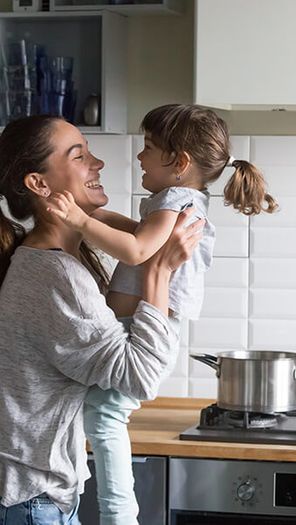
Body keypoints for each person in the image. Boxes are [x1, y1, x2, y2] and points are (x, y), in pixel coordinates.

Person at [47, 104, 278, 525]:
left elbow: (137, 251)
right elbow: (139, 235)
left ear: (179, 162)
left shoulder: (177, 199)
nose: (139, 156)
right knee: (98, 413)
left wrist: (80, 218)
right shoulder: (176, 200)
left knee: (104, 416)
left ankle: (119, 514)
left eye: (149, 148)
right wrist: (90, 214)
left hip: (143, 329)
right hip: (133, 328)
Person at [0, 114, 204, 525]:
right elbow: (139, 377)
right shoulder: (55, 275)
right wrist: (160, 271)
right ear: (40, 185)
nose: (99, 163)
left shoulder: (69, 259)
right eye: (80, 156)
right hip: (32, 502)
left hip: (38, 497)